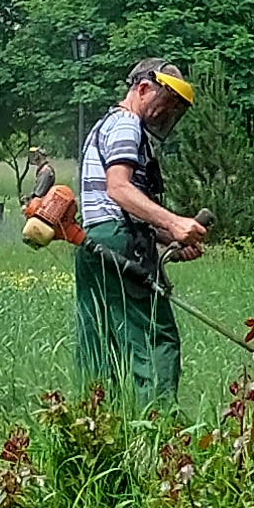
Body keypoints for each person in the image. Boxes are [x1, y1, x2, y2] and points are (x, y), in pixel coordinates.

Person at [73, 59, 205, 398]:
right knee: (155, 336)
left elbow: (115, 205)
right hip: (120, 245)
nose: (165, 115)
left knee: (102, 338)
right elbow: (118, 188)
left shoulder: (106, 125)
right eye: (164, 104)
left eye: (174, 110)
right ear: (143, 89)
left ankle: (96, 420)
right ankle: (161, 427)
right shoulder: (128, 124)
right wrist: (174, 222)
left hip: (93, 243)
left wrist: (168, 237)